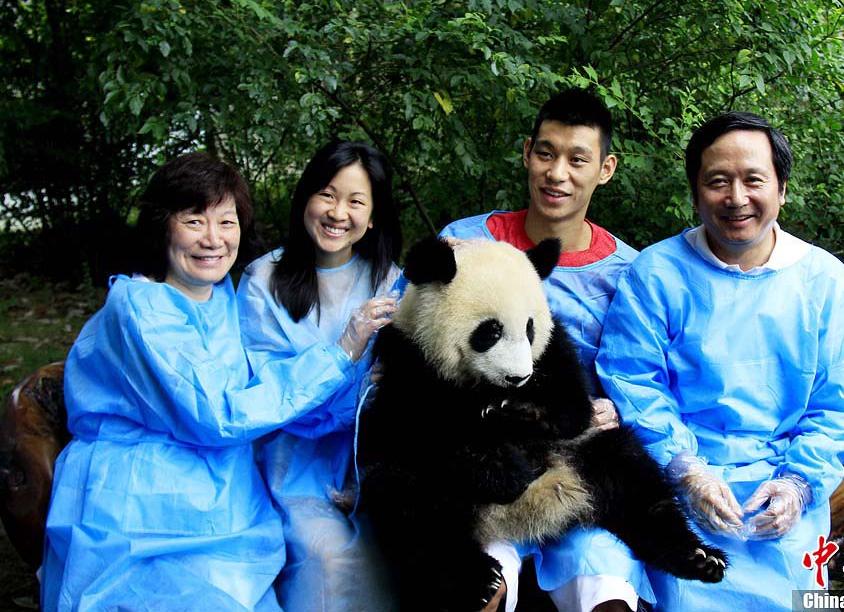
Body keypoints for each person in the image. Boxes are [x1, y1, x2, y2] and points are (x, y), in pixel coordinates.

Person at [41, 152, 390, 611]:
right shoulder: (141, 307)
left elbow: (268, 388)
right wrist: (343, 349)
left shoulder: (223, 296)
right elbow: (217, 414)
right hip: (141, 500)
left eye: (226, 222)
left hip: (224, 493)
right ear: (162, 225)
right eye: (193, 220)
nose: (213, 239)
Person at [596, 111, 844, 611]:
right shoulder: (656, 273)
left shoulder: (825, 282)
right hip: (676, 480)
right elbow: (633, 380)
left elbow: (837, 406)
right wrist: (685, 469)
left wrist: (798, 484)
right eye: (718, 182)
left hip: (779, 486)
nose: (736, 198)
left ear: (781, 189)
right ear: (696, 193)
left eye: (753, 180)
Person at [441, 88, 650, 612]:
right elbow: (419, 349)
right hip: (479, 460)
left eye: (578, 159)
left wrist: (620, 408)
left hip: (578, 464)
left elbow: (647, 376)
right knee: (476, 585)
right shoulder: (466, 244)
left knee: (608, 593)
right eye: (546, 153)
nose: (558, 173)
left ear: (605, 169)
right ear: (527, 152)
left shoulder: (630, 273)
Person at [236, 141, 402, 612]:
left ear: (373, 217)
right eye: (327, 195)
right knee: (326, 556)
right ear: (306, 198)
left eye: (356, 201)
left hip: (371, 460)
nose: (337, 212)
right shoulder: (262, 280)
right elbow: (269, 395)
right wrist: (346, 351)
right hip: (294, 461)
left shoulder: (389, 280)